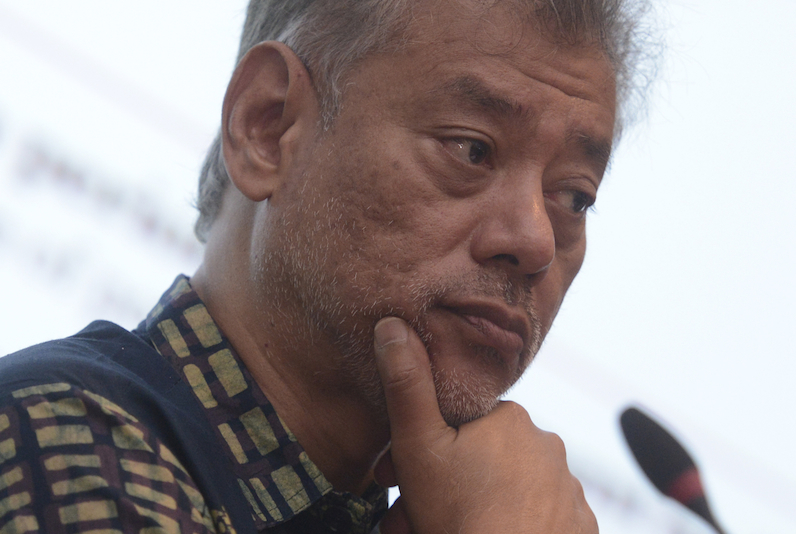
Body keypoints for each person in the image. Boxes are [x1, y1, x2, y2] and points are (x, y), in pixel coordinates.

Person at [0, 0, 656, 532]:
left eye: (575, 196)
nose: (537, 240)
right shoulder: (68, 440)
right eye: (471, 149)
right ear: (268, 126)